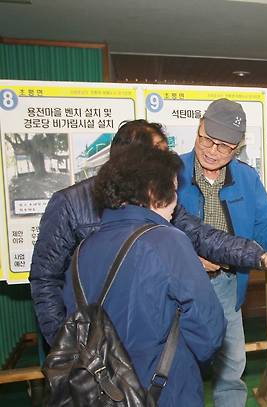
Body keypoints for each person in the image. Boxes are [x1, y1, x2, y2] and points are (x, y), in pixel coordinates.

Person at [30, 119, 267, 345]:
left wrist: (263, 258)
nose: (170, 161)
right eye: (159, 155)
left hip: (148, 332)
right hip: (92, 339)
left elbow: (204, 237)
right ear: (131, 160)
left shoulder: (161, 201)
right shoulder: (69, 203)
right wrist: (63, 343)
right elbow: (45, 278)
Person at [177, 99, 267, 407]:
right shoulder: (172, 174)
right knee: (178, 368)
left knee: (231, 369)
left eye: (223, 146)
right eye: (206, 139)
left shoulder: (246, 178)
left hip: (227, 284)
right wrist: (189, 260)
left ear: (238, 147)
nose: (211, 150)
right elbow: (157, 231)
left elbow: (266, 226)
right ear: (198, 127)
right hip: (179, 286)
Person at [62, 144, 222, 406]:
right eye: (172, 190)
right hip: (165, 390)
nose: (176, 201)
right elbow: (210, 329)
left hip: (102, 392)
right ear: (152, 191)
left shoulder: (82, 250)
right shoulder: (168, 241)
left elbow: (73, 324)